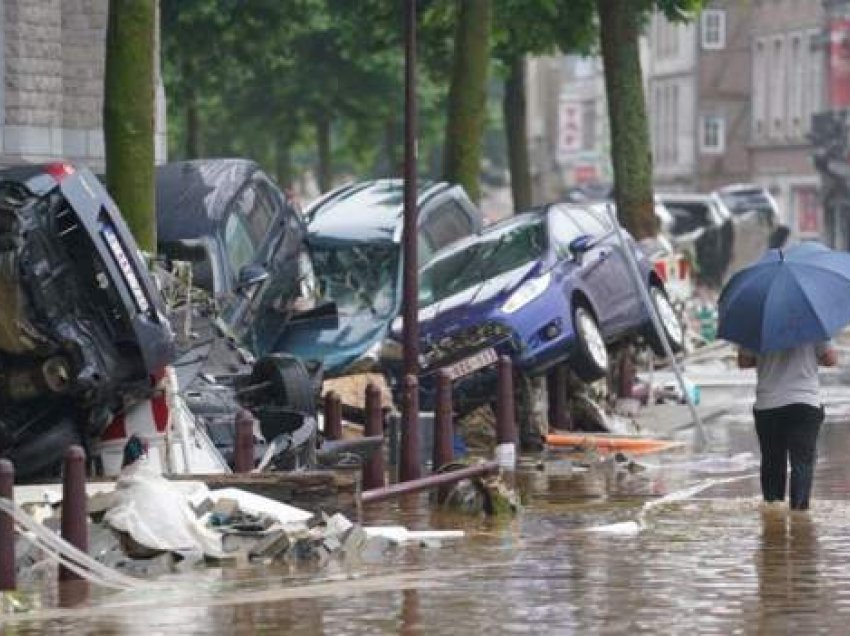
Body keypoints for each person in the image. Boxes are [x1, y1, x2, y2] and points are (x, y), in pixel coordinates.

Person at [738, 341, 837, 510]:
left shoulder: (758, 327)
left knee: (772, 461)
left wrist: (766, 359)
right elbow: (830, 359)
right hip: (804, 402)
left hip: (768, 405)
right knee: (802, 462)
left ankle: (773, 509)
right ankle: (799, 512)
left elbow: (743, 362)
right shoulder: (813, 326)